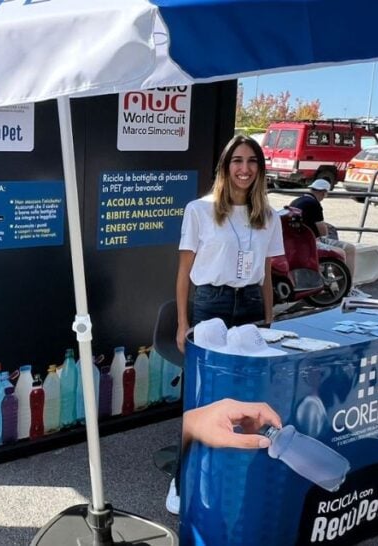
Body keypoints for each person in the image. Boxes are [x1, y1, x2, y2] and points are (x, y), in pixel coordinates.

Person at [166, 134, 286, 514]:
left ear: (260, 169)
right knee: (202, 396)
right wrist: (182, 322)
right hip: (211, 303)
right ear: (225, 166)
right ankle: (182, 481)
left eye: (252, 161)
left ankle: (236, 480)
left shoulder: (269, 216)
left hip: (251, 305)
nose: (244, 169)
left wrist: (269, 318)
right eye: (237, 161)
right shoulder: (199, 210)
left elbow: (266, 272)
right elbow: (184, 272)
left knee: (249, 394)